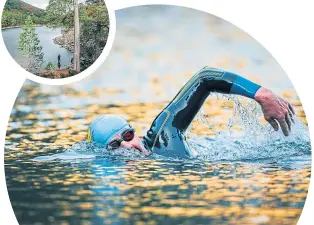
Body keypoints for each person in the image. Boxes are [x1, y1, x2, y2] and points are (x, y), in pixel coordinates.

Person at [87, 67, 295, 158]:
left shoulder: (162, 137)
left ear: (135, 132)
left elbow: (204, 78)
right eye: (115, 146)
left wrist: (262, 94)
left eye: (127, 135)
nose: (127, 145)